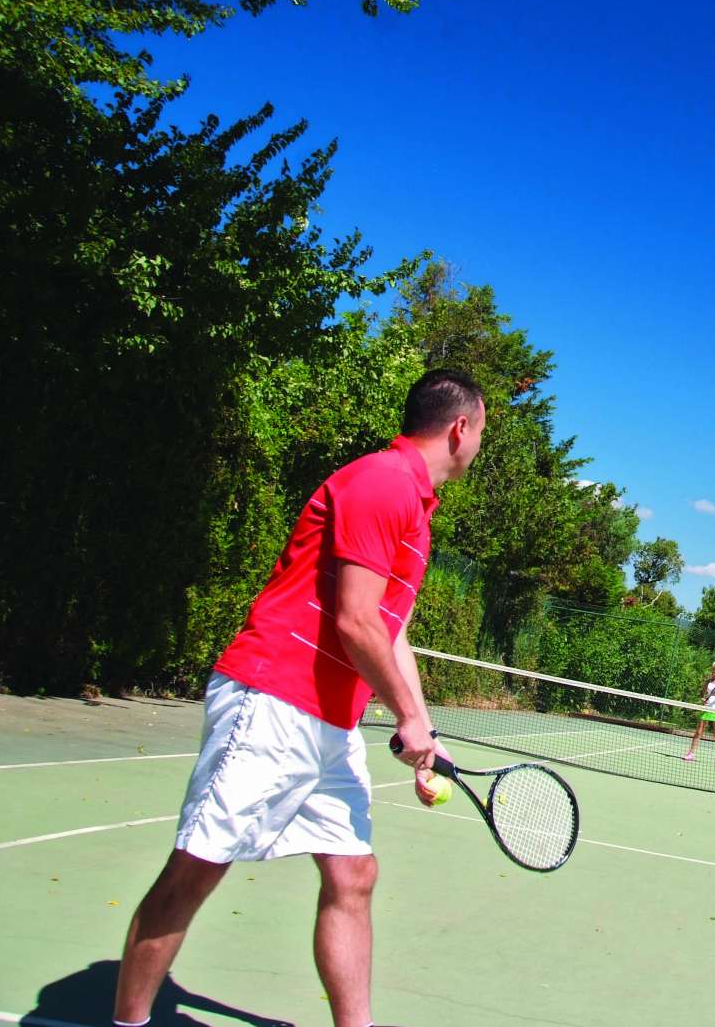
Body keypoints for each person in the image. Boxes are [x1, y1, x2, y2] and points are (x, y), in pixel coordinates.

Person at [112, 370, 488, 1027]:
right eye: (482, 431)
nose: (479, 444)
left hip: (328, 721)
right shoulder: (382, 482)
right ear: (461, 428)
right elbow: (354, 620)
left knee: (353, 875)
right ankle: (129, 1023)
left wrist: (421, 726)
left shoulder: (415, 508)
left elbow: (388, 631)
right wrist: (403, 715)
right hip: (272, 697)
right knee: (197, 868)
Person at [683, 660, 715, 768]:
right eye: (714, 668)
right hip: (706, 709)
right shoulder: (708, 682)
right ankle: (691, 754)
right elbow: (702, 694)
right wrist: (703, 700)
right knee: (698, 732)